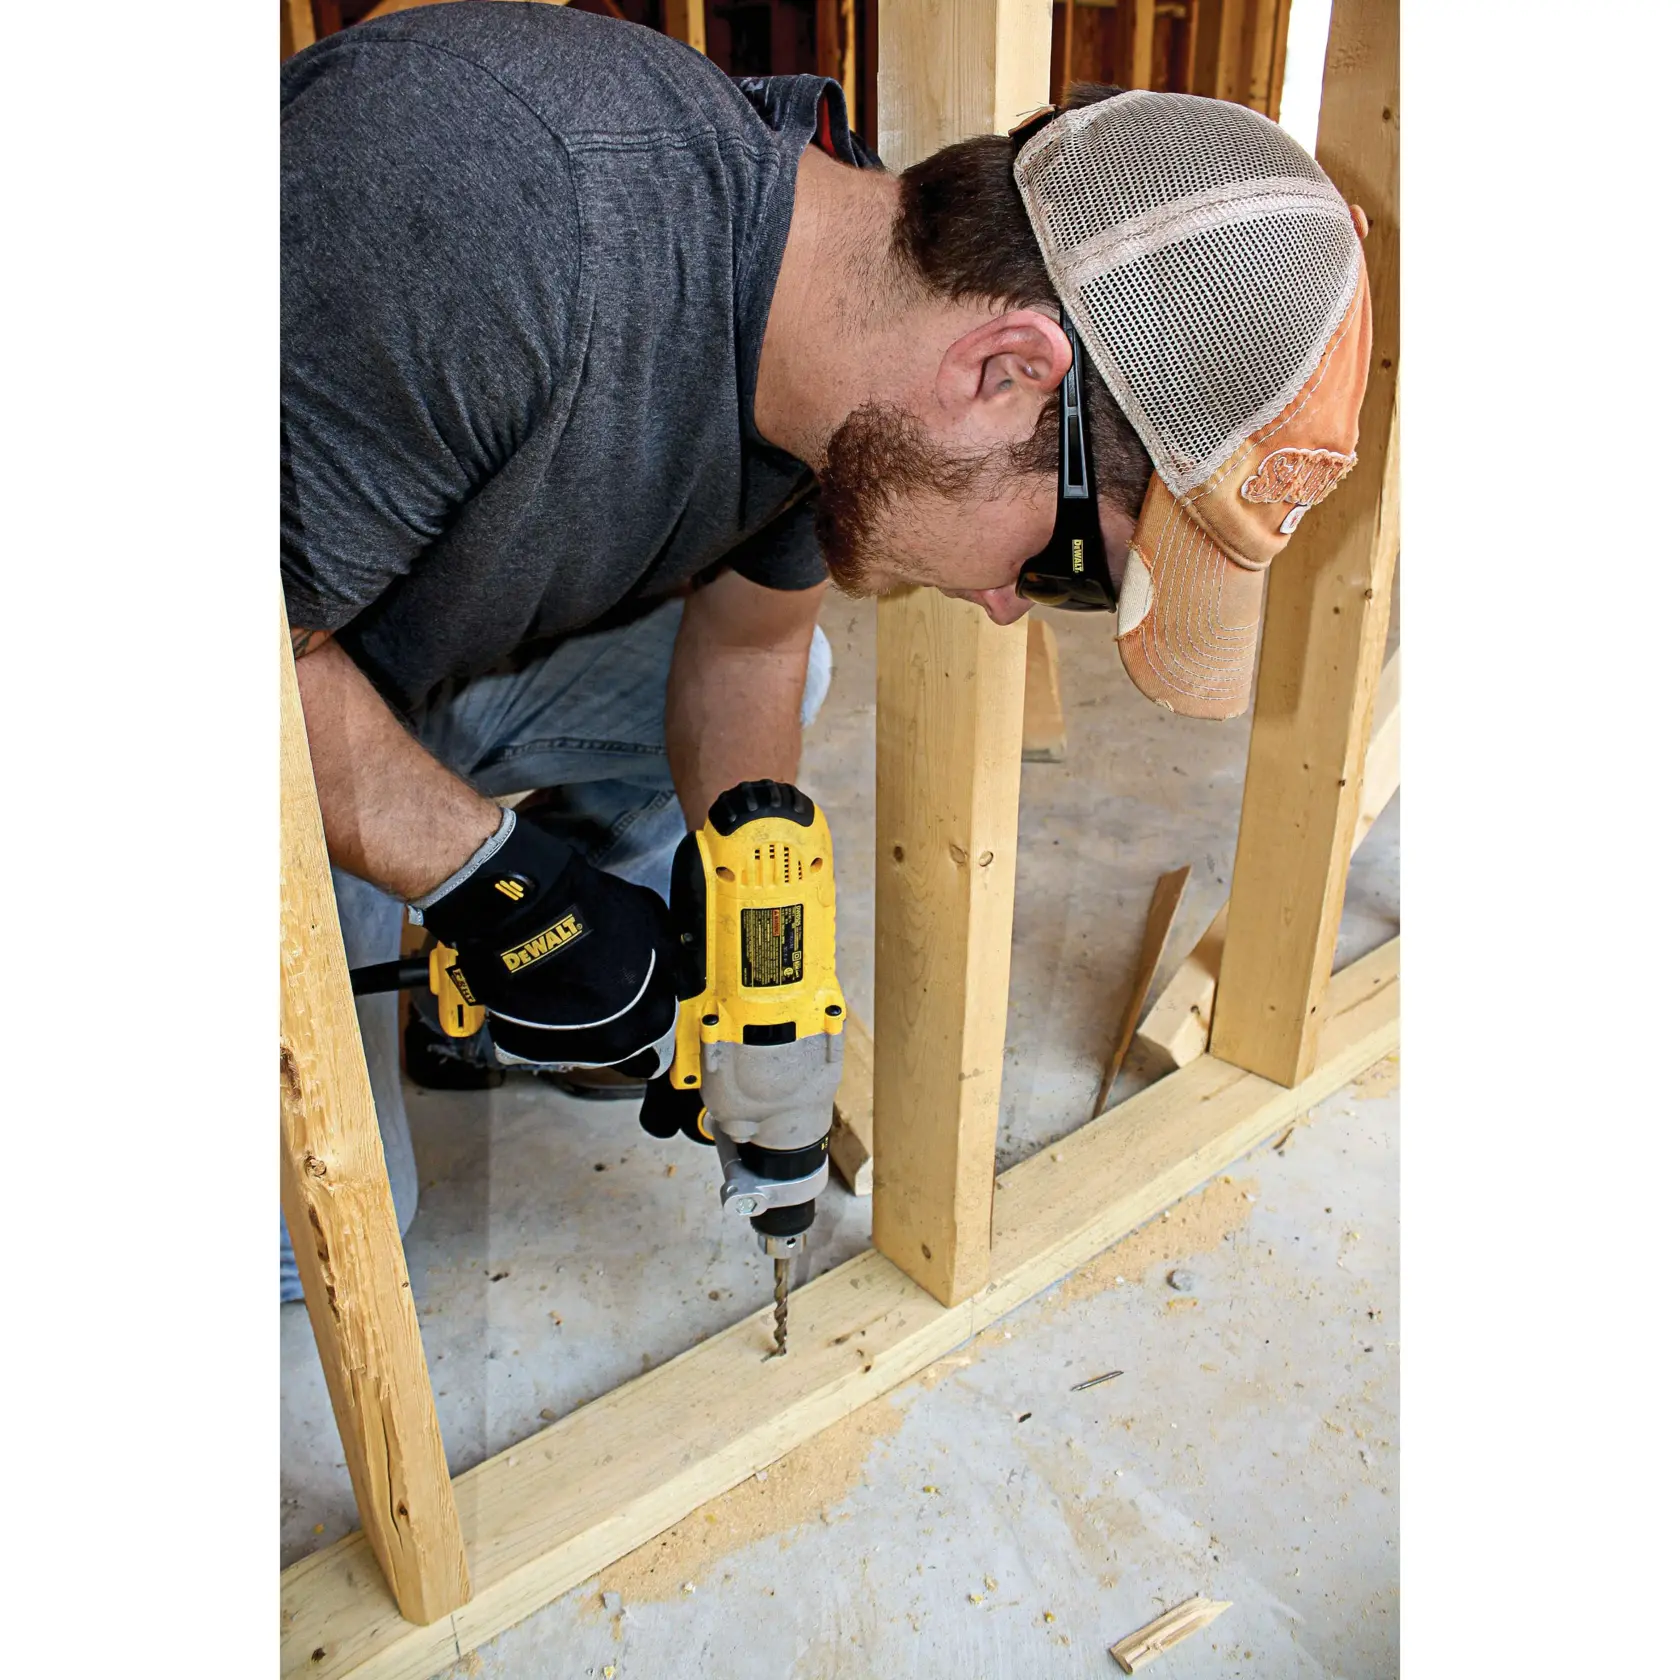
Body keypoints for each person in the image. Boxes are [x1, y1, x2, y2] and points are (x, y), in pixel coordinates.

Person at [281, 3, 1372, 1301]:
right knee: (316, 1253)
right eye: (1071, 564)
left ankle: (502, 999)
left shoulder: (843, 364)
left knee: (798, 673)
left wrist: (757, 924)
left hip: (367, 645)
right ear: (1006, 370)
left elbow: (746, 655)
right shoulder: (492, 207)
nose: (1016, 610)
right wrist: (489, 878)